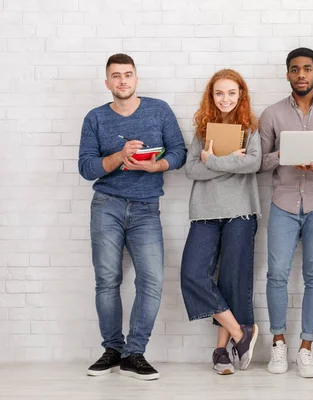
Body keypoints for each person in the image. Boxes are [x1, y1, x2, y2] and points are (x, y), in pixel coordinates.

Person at [78, 53, 187, 380]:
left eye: (128, 75)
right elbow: (86, 168)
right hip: (106, 205)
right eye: (116, 76)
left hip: (146, 207)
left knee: (152, 281)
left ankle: (134, 353)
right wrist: (118, 157)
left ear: (136, 79)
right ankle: (112, 349)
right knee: (107, 280)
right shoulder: (95, 118)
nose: (122, 81)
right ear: (107, 82)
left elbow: (179, 151)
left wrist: (157, 165)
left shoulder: (159, 110)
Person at [259, 47, 313, 378]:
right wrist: (285, 154)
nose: (301, 74)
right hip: (283, 202)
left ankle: (306, 349)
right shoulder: (271, 114)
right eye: (295, 69)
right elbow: (259, 161)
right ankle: (279, 344)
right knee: (276, 275)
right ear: (287, 74)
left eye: (307, 69)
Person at [180, 69, 261, 375]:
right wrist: (231, 162)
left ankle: (220, 351)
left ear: (241, 95)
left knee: (232, 281)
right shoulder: (202, 129)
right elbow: (190, 171)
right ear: (211, 96)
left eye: (231, 92)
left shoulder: (251, 128)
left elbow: (252, 162)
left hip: (240, 211)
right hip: (204, 212)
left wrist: (211, 161)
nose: (225, 98)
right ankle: (242, 334)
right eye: (219, 93)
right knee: (192, 274)